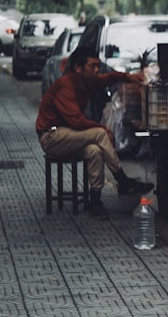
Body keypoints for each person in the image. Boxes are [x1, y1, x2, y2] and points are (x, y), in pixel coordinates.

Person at [36, 46, 153, 219]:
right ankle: (122, 180)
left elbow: (109, 78)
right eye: (92, 66)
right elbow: (76, 120)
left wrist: (129, 77)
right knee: (99, 134)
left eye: (98, 66)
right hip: (52, 136)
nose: (96, 70)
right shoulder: (65, 86)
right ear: (78, 68)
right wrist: (104, 129)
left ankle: (95, 201)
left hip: (68, 134)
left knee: (95, 150)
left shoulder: (86, 81)